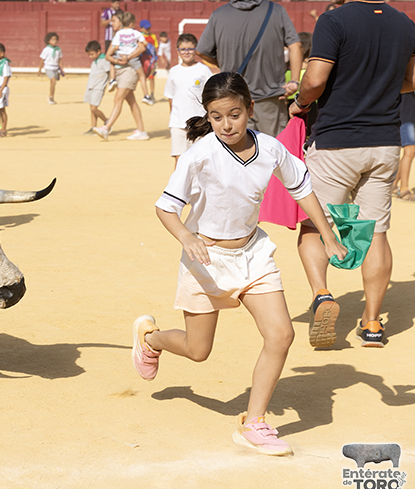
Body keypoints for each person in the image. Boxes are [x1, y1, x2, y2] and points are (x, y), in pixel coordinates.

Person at [132, 72, 346, 457]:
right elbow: (166, 207)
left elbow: (302, 188)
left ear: (250, 109)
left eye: (234, 114)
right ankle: (150, 339)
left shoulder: (271, 148)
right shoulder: (200, 155)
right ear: (208, 117)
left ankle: (254, 423)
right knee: (198, 351)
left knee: (281, 335)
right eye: (216, 117)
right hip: (206, 262)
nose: (226, 124)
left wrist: (327, 234)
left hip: (253, 255)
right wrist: (187, 237)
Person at [289, 0, 415, 349]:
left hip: (337, 141)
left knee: (314, 224)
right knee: (376, 231)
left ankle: (322, 295)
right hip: (384, 143)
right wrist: (373, 89)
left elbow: (313, 80)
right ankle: (373, 323)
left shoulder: (334, 21)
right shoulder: (404, 22)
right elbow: (413, 80)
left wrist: (302, 103)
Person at [196, 0, 302, 137]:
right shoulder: (277, 11)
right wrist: (294, 81)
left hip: (232, 97)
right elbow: (295, 45)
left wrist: (222, 65)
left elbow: (201, 51)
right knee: (272, 151)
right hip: (269, 97)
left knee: (235, 153)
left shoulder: (219, 14)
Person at [96, 12, 148, 141]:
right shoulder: (117, 37)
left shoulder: (132, 36)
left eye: (114, 21)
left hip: (130, 70)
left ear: (121, 22)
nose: (112, 23)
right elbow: (108, 56)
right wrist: (117, 61)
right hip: (120, 70)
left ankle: (106, 127)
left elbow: (142, 48)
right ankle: (141, 130)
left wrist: (127, 58)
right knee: (131, 101)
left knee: (118, 98)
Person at [163, 33, 213, 166]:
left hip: (199, 123)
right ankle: (178, 187)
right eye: (183, 49)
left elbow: (210, 96)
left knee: (199, 159)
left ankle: (199, 187)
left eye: (190, 49)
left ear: (196, 50)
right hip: (178, 123)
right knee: (180, 160)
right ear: (177, 51)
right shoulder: (174, 71)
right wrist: (173, 118)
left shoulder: (204, 70)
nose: (187, 52)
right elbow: (170, 98)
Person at [83, 40, 110, 133]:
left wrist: (112, 82)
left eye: (92, 54)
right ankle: (93, 127)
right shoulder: (95, 60)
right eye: (89, 55)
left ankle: (107, 121)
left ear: (99, 51)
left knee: (94, 108)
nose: (90, 57)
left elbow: (110, 71)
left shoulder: (104, 60)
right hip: (91, 86)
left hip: (99, 87)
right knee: (92, 109)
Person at [396, 92, 415, 202]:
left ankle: (394, 185)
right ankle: (403, 190)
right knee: (410, 151)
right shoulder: (407, 75)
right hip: (406, 119)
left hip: (410, 119)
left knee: (410, 152)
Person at [38, 31, 64, 104]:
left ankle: (52, 96)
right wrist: (39, 70)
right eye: (52, 40)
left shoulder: (58, 50)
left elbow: (60, 60)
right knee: (53, 80)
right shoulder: (46, 49)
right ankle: (51, 96)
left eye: (56, 39)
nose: (55, 41)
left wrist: (62, 69)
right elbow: (42, 60)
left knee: (54, 82)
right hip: (48, 67)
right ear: (48, 41)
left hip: (55, 68)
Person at [138, 19, 158, 105]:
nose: (148, 30)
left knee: (151, 77)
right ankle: (145, 94)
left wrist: (155, 59)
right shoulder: (139, 36)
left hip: (151, 59)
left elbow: (155, 48)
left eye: (149, 28)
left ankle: (152, 94)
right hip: (142, 59)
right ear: (141, 29)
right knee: (142, 76)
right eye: (146, 28)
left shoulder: (153, 36)